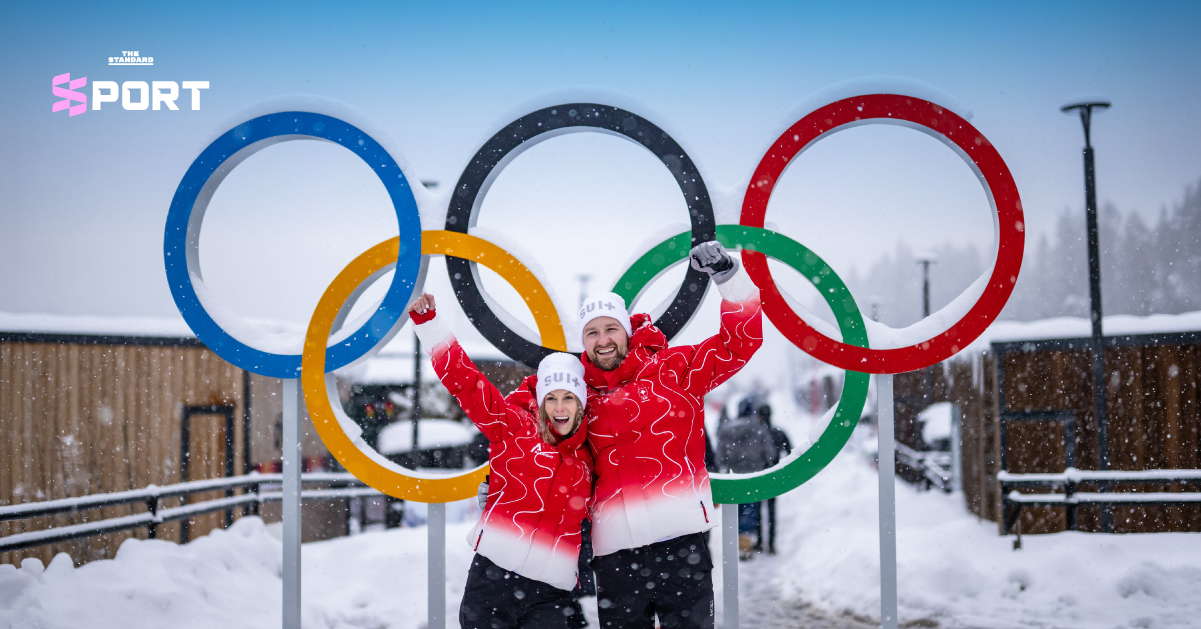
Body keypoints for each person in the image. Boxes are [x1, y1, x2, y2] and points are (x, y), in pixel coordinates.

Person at [578, 241, 763, 629]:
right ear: (584, 343)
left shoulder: (672, 369)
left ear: (628, 332)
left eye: (611, 328)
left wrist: (729, 278)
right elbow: (530, 435)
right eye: (592, 332)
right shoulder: (577, 397)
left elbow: (740, 344)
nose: (603, 339)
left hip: (682, 545)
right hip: (615, 556)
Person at [408, 293, 594, 629]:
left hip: (552, 593)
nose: (561, 408)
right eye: (551, 398)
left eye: (569, 397)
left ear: (581, 402)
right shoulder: (513, 427)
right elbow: (467, 383)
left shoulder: (590, 457)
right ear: (540, 401)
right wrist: (431, 325)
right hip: (492, 579)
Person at [715, 397, 776, 559]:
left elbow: (720, 457)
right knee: (750, 511)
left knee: (737, 509)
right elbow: (770, 453)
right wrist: (766, 464)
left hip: (732, 477)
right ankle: (745, 545)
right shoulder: (759, 428)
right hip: (753, 477)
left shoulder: (726, 429)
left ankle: (737, 543)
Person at [756, 404, 792, 554]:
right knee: (771, 511)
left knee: (756, 510)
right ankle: (771, 543)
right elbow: (791, 453)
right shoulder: (778, 432)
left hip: (756, 476)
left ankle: (758, 541)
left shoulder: (755, 434)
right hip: (773, 476)